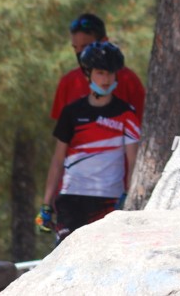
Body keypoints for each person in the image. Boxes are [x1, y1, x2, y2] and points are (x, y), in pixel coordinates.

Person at [36, 41, 142, 241]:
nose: (106, 79)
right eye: (100, 73)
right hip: (71, 197)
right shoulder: (71, 112)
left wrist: (129, 196)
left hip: (110, 199)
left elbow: (133, 161)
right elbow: (58, 159)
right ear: (88, 74)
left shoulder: (127, 114)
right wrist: (46, 204)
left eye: (110, 73)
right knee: (66, 256)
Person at [50, 13, 146, 119]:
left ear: (104, 41)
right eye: (75, 47)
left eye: (85, 46)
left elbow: (143, 122)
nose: (80, 53)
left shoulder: (128, 80)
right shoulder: (67, 82)